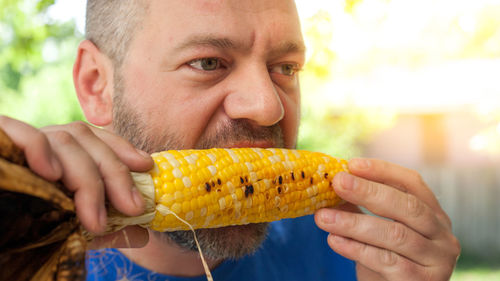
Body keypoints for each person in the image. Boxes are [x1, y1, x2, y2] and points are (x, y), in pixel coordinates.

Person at [0, 0, 460, 280]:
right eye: (208, 63)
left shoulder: (363, 258)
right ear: (97, 84)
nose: (268, 107)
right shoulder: (19, 254)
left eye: (286, 68)